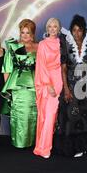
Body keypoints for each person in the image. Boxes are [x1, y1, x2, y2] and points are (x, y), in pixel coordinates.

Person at [54, 14, 87, 157]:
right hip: (71, 86)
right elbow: (63, 67)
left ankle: (85, 147)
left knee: (86, 118)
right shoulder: (65, 42)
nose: (77, 33)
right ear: (71, 31)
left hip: (86, 85)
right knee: (71, 117)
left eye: (80, 30)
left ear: (84, 31)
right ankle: (72, 148)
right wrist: (65, 88)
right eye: (74, 30)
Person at [1, 19, 38, 149]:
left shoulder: (38, 47)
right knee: (19, 113)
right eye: (23, 32)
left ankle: (31, 141)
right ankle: (19, 141)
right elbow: (7, 68)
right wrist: (8, 89)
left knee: (32, 113)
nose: (25, 35)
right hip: (17, 85)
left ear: (33, 33)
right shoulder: (13, 46)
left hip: (34, 86)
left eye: (28, 33)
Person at [33, 18, 63, 159]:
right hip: (49, 82)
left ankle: (57, 145)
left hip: (62, 79)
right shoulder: (43, 44)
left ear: (59, 28)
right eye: (50, 26)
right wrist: (48, 84)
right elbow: (41, 65)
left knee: (59, 116)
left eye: (55, 26)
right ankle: (44, 148)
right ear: (47, 28)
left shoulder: (62, 43)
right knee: (48, 115)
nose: (52, 28)